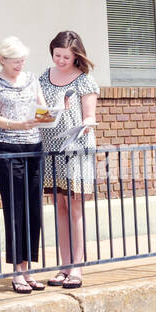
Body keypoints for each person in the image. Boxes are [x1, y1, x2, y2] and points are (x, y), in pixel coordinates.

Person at [0, 36, 46, 293]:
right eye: (15, 61)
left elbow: (42, 107)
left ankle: (28, 267)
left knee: (33, 208)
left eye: (22, 60)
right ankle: (16, 271)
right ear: (2, 59)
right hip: (8, 149)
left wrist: (53, 112)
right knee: (15, 208)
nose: (20, 64)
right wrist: (17, 125)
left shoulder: (32, 79)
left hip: (34, 147)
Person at [36, 30, 99, 289]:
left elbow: (90, 116)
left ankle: (77, 267)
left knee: (75, 207)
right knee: (59, 206)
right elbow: (39, 113)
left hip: (77, 147)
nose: (60, 60)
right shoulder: (43, 77)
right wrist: (48, 113)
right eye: (57, 55)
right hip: (51, 147)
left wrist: (86, 124)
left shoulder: (85, 80)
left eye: (66, 56)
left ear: (76, 56)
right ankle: (63, 266)